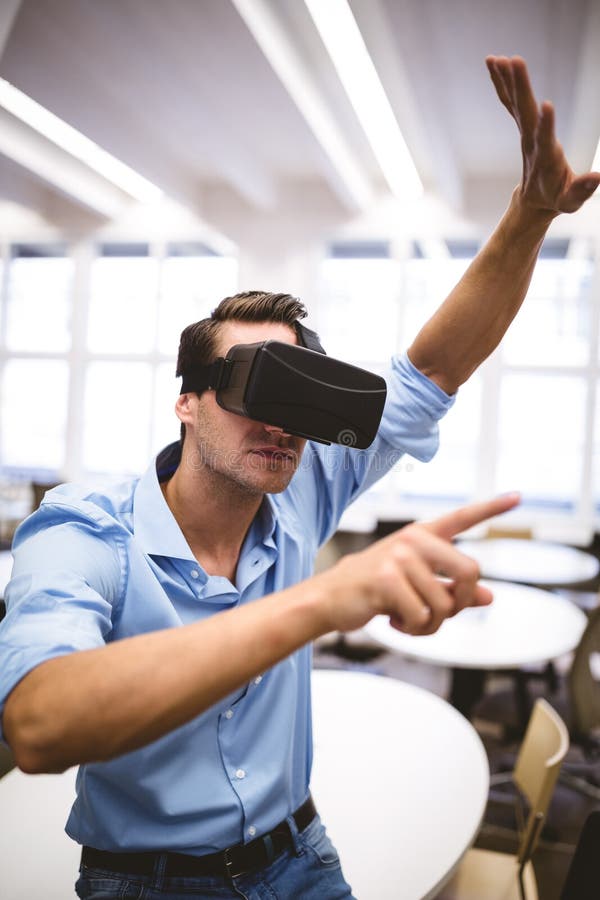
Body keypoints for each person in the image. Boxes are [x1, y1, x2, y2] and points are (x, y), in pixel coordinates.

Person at [0, 55, 598, 900]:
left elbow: (432, 368)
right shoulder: (86, 530)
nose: (283, 424)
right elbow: (38, 723)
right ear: (187, 404)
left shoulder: (302, 483)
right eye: (254, 389)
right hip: (150, 882)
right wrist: (322, 599)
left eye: (301, 400)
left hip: (301, 856)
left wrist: (530, 216)